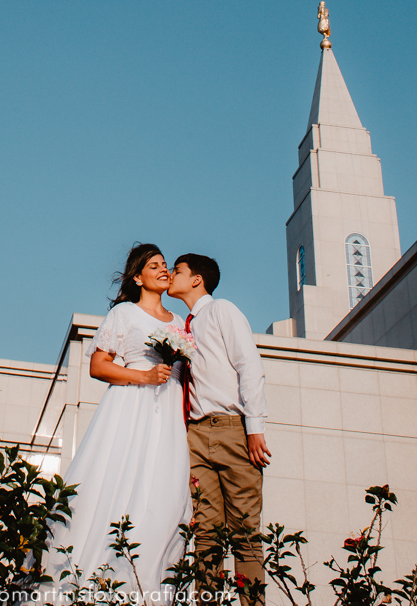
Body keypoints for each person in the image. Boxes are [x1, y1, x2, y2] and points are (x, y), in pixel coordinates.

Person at [42, 243, 192, 603]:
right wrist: (141, 377)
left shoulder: (180, 324)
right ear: (138, 277)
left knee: (165, 494)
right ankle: (86, 583)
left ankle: (147, 589)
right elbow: (98, 366)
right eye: (153, 266)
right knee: (115, 482)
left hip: (169, 415)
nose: (163, 269)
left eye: (165, 265)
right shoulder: (124, 314)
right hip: (130, 408)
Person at [168, 253, 271, 606]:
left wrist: (254, 427)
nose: (169, 274)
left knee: (245, 532)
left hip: (232, 430)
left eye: (176, 271)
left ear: (197, 279)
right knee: (206, 535)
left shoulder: (222, 310)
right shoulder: (182, 326)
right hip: (195, 435)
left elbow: (249, 365)